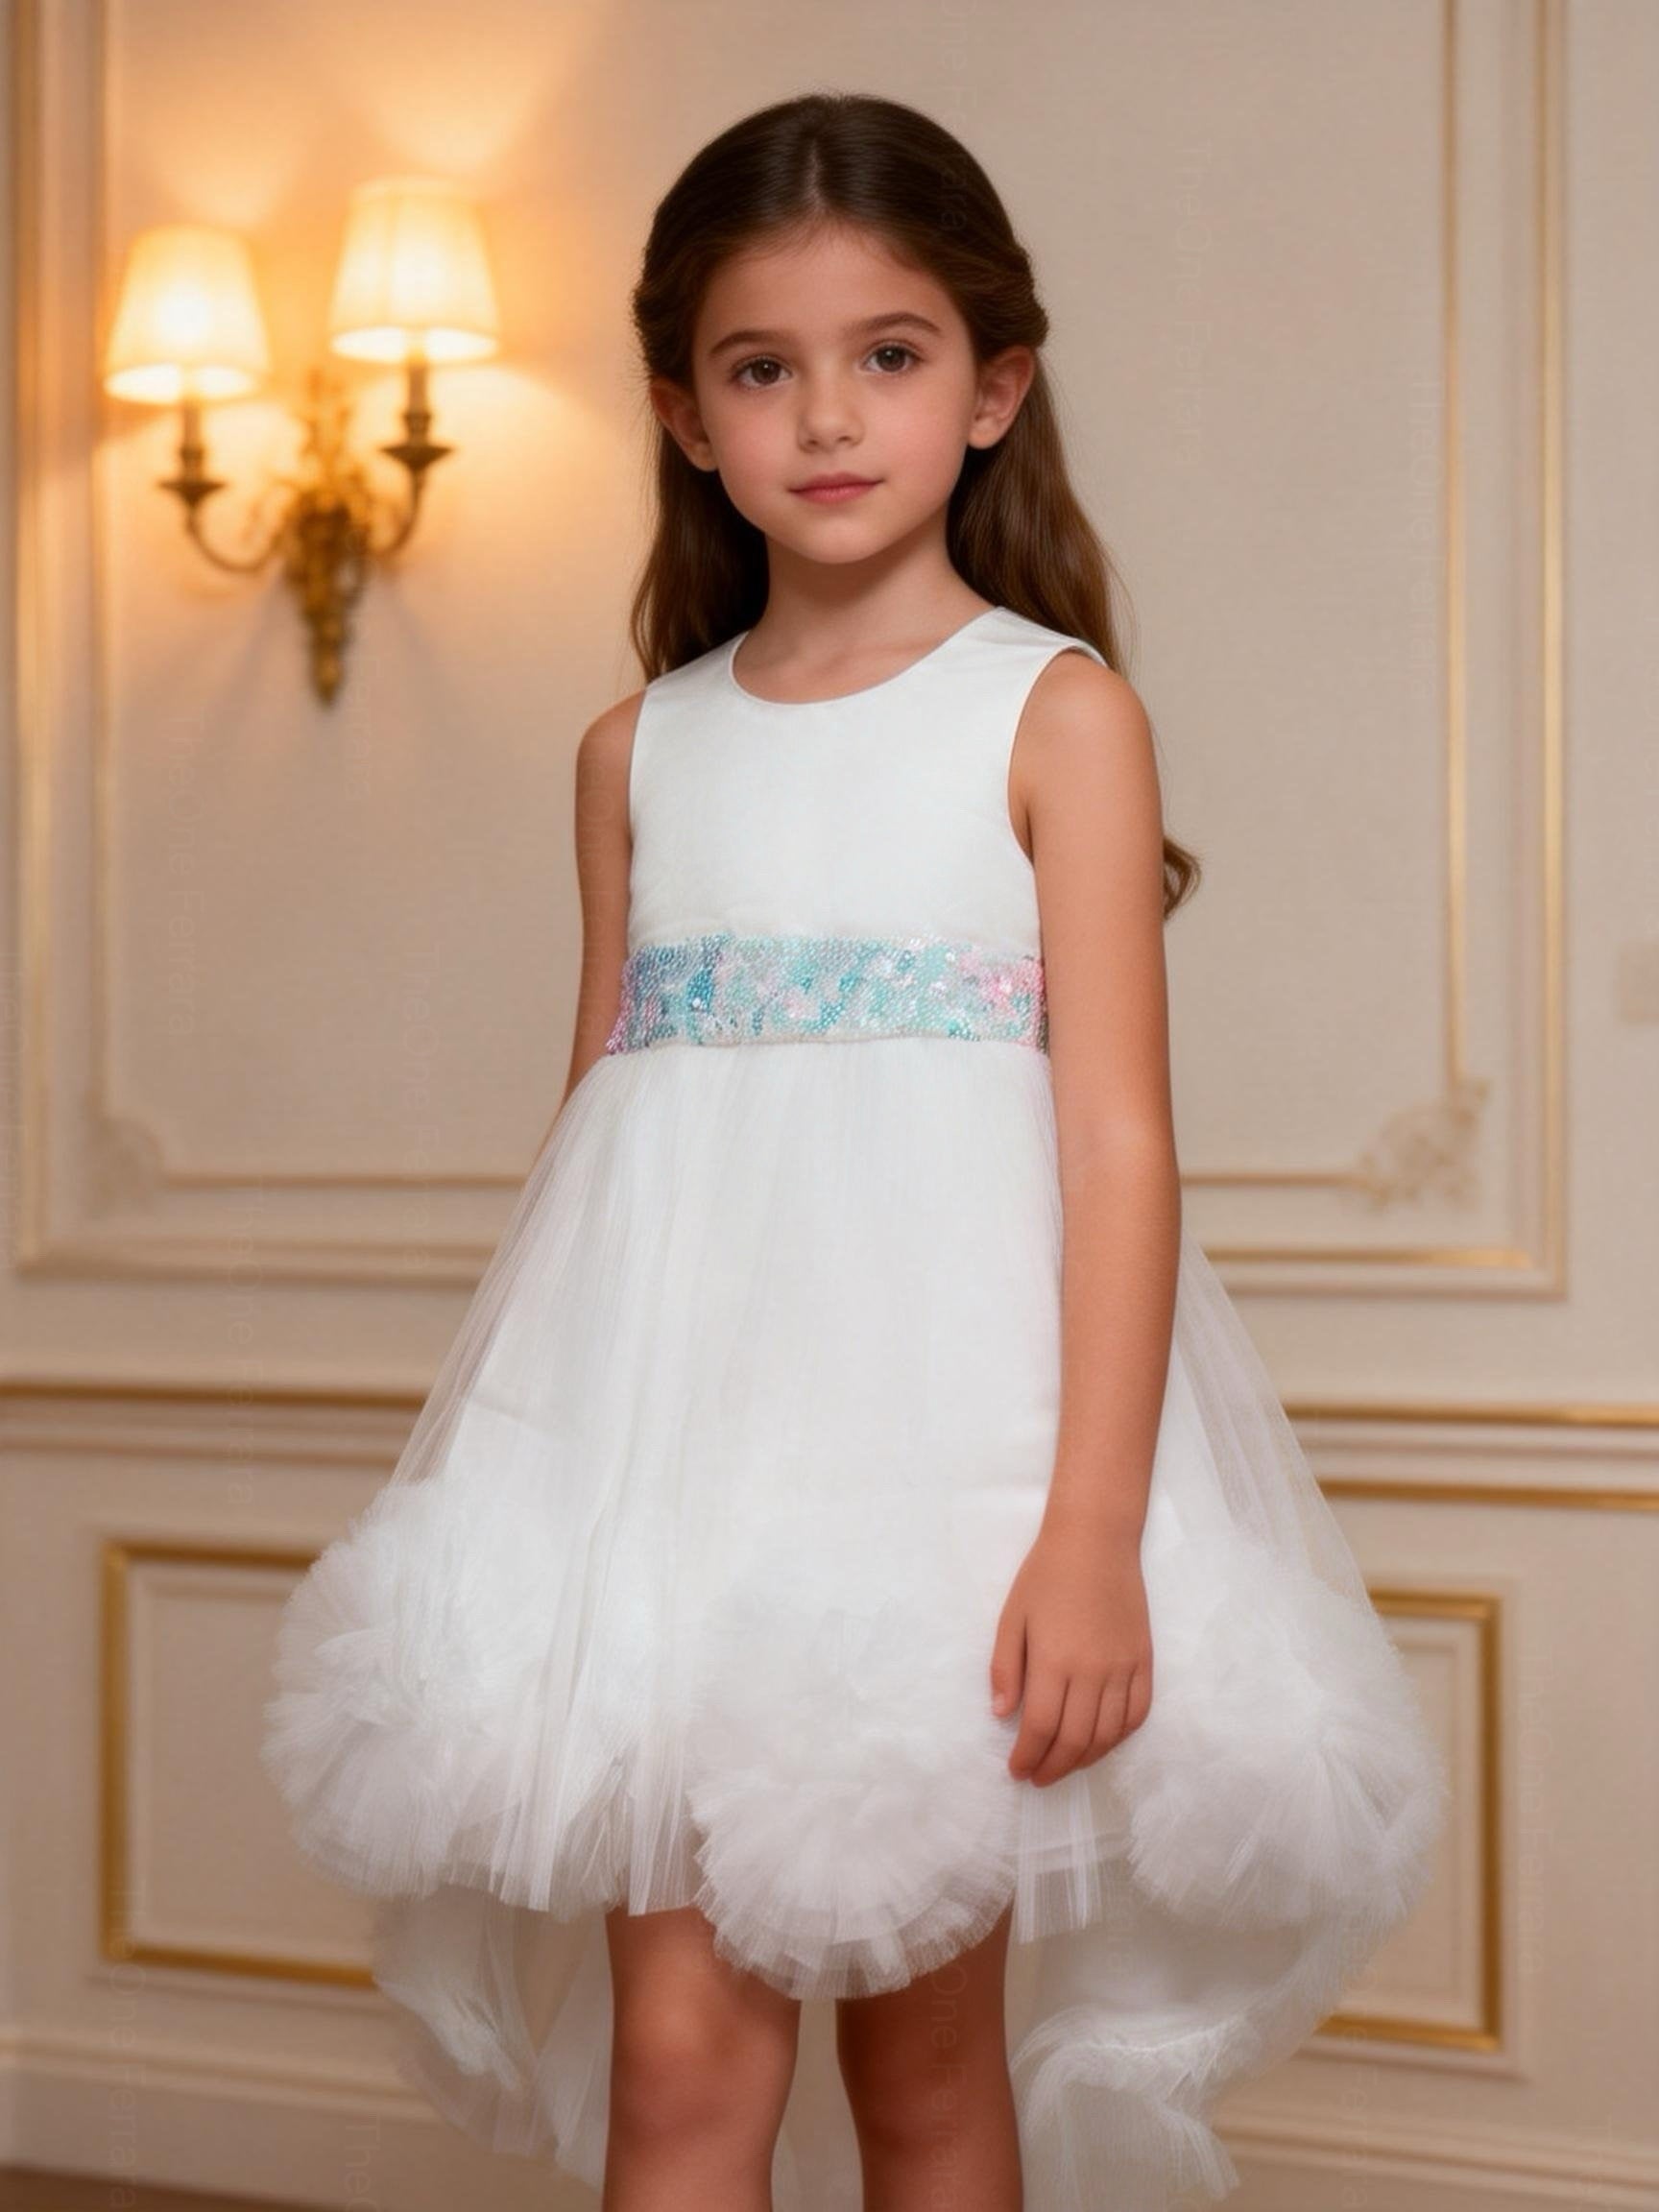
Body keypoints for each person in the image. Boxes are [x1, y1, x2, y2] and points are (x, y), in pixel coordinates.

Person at [261, 89, 1446, 2212]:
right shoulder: (641, 750)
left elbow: (1118, 1146)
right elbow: (596, 1148)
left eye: (887, 355)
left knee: (927, 2074)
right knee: (679, 2073)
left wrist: (1091, 1535)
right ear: (682, 413)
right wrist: (538, 1515)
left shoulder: (1053, 714)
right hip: (670, 1500)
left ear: (993, 386)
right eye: (760, 367)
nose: (826, 416)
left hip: (948, 1501)